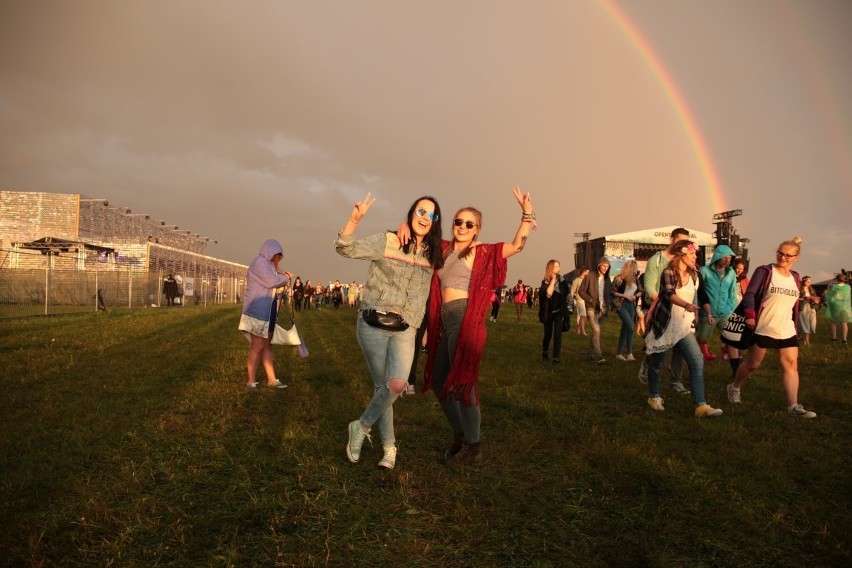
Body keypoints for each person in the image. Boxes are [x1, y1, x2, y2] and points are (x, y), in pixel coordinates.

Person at [423, 187, 535, 466]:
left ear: (477, 229)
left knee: (464, 381)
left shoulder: (481, 252)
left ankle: (473, 448)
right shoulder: (445, 249)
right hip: (443, 318)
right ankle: (461, 436)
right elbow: (419, 236)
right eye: (458, 222)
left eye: (468, 224)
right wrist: (404, 225)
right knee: (440, 381)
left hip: (464, 316)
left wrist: (527, 213)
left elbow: (517, 245)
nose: (462, 226)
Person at [337, 193, 444, 470]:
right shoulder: (390, 240)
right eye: (420, 211)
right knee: (382, 386)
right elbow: (345, 248)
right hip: (373, 322)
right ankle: (389, 447)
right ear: (411, 213)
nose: (424, 218)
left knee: (395, 384)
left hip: (406, 327)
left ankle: (360, 427)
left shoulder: (435, 254)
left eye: (431, 215)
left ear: (435, 222)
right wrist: (354, 220)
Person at [727, 237, 817, 418]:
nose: (782, 257)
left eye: (787, 255)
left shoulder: (796, 277)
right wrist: (750, 316)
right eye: (780, 253)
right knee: (753, 364)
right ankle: (734, 386)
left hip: (786, 328)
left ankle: (793, 406)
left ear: (796, 257)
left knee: (791, 365)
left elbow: (791, 303)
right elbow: (750, 294)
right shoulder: (765, 271)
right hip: (764, 326)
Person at [644, 241, 723, 418]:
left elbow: (700, 295)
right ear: (681, 254)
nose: (696, 257)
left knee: (696, 361)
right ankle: (654, 396)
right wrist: (686, 304)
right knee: (657, 364)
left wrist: (700, 311)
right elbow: (669, 294)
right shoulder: (668, 272)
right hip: (665, 325)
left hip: (684, 327)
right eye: (693, 254)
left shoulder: (695, 274)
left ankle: (701, 406)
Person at [639, 227, 691, 393]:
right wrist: (665, 302)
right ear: (671, 240)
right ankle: (648, 364)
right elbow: (649, 286)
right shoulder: (656, 260)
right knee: (658, 345)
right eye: (680, 241)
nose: (683, 245)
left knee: (680, 348)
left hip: (681, 311)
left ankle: (676, 380)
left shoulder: (685, 262)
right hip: (660, 309)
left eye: (686, 242)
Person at [237, 239, 293, 389]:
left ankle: (272, 379)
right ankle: (250, 381)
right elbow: (271, 281)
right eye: (278, 256)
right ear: (272, 253)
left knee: (267, 345)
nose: (279, 260)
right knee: (257, 346)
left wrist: (282, 277)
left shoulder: (268, 265)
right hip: (257, 311)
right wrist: (286, 278)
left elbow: (274, 282)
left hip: (268, 310)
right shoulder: (259, 264)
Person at [578, 256, 612, 364]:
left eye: (607, 266)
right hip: (591, 307)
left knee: (595, 333)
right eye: (604, 265)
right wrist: (590, 300)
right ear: (599, 265)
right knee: (597, 330)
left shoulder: (608, 279)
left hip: (603, 309)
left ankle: (590, 354)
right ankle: (599, 356)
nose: (605, 268)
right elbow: (581, 291)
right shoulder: (590, 276)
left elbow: (609, 293)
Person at [538, 259, 569, 363]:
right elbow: (549, 293)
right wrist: (553, 280)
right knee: (548, 334)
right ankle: (545, 352)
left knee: (557, 334)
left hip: (559, 311)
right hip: (548, 311)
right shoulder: (545, 281)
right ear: (550, 268)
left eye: (558, 266)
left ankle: (556, 357)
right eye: (556, 267)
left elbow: (567, 293)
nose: (558, 268)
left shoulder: (562, 280)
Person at [612, 259, 640, 361]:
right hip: (621, 304)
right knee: (631, 327)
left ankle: (626, 353)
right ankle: (626, 352)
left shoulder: (635, 279)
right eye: (635, 268)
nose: (637, 270)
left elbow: (641, 290)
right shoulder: (619, 278)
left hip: (631, 305)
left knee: (626, 329)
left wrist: (635, 296)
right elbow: (612, 291)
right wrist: (624, 295)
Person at [825, 273, 851, 343]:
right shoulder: (848, 287)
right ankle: (844, 340)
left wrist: (829, 285)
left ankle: (834, 338)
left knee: (833, 322)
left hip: (835, 306)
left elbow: (829, 295)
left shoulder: (834, 287)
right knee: (844, 323)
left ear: (836, 279)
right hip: (845, 307)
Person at [797, 275, 819, 345]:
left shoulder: (811, 289)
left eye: (810, 281)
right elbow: (795, 298)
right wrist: (802, 298)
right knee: (805, 324)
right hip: (803, 307)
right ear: (803, 281)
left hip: (811, 307)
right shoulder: (799, 289)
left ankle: (805, 340)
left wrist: (816, 300)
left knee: (812, 324)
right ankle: (806, 342)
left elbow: (816, 297)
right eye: (807, 281)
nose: (809, 283)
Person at [571, 267, 589, 335]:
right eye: (587, 272)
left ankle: (578, 327)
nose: (588, 273)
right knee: (582, 315)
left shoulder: (587, 280)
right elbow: (572, 291)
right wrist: (572, 300)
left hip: (586, 300)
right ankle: (583, 331)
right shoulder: (577, 280)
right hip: (579, 299)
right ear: (583, 272)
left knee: (586, 316)